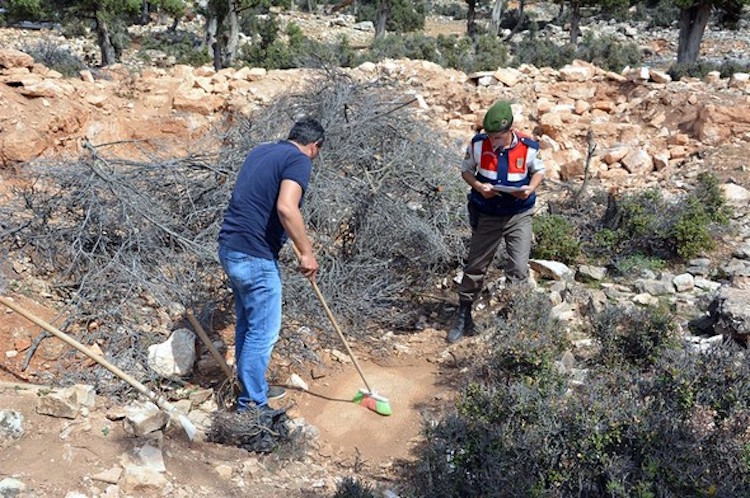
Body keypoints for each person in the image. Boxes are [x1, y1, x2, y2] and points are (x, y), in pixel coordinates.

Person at [217, 117, 325, 412]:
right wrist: (306, 252)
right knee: (263, 332)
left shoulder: (261, 151)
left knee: (247, 326)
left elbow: (260, 202)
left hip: (230, 248)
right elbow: (286, 207)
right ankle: (252, 405)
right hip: (254, 256)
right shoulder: (299, 160)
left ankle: (251, 387)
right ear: (314, 147)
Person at [447, 100, 545, 343]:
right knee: (476, 267)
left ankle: (515, 319)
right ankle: (464, 315)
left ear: (510, 131)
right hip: (488, 213)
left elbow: (539, 171)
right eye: (490, 136)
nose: (493, 142)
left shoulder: (528, 147)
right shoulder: (478, 144)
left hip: (518, 214)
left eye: (498, 138)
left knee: (519, 269)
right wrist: (479, 186)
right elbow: (466, 170)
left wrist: (529, 189)